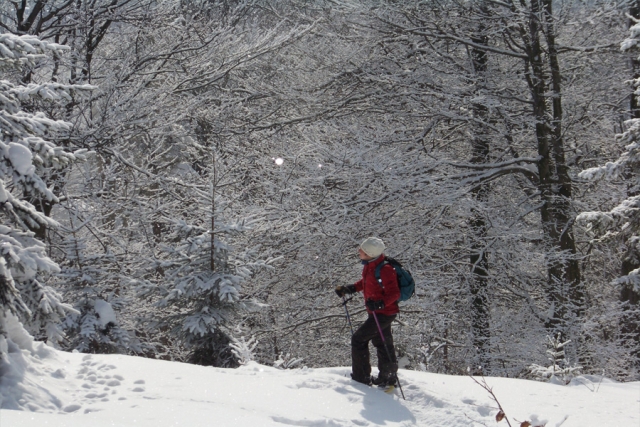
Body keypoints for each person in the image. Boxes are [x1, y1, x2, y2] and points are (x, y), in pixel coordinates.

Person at [335, 237, 400, 387]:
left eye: (362, 250)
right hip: (377, 313)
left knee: (358, 339)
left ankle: (361, 377)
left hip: (384, 313)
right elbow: (366, 283)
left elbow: (394, 293)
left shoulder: (385, 269)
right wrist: (351, 288)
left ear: (370, 253)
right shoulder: (370, 265)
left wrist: (380, 303)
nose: (359, 251)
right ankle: (387, 377)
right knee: (382, 342)